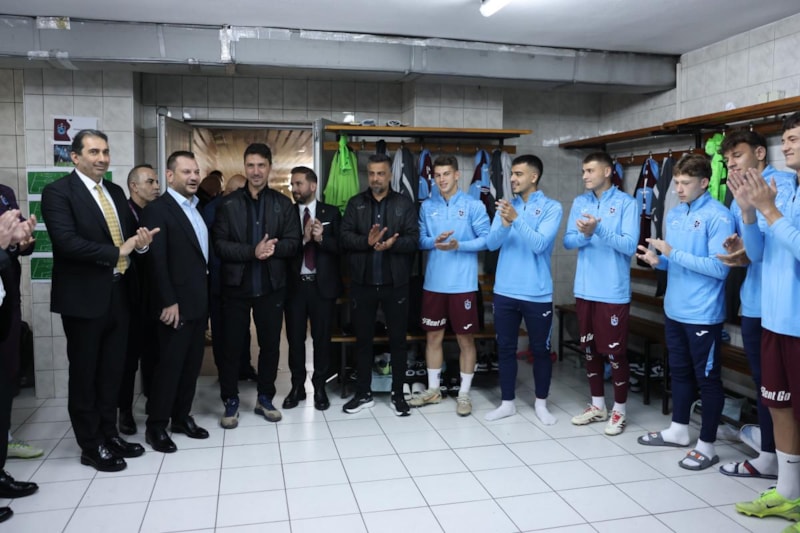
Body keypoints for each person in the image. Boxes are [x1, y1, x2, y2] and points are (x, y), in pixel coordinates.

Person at [41, 129, 158, 472]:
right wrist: (117, 251)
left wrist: (140, 245)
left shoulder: (115, 191)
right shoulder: (58, 192)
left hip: (119, 293)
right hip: (83, 299)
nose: (102, 158)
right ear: (75, 156)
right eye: (94, 152)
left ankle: (110, 434)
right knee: (85, 374)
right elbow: (66, 243)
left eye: (105, 151)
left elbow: (128, 238)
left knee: (113, 372)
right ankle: (91, 445)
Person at [636, 154, 734, 470]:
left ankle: (707, 445)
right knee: (678, 372)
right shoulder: (676, 213)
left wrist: (672, 253)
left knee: (707, 380)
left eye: (685, 183)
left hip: (703, 313)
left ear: (704, 182)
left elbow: (720, 269)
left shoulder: (719, 216)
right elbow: (675, 261)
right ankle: (679, 430)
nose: (678, 188)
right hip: (675, 310)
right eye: (676, 182)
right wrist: (659, 261)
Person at [732, 113, 800, 527]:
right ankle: (789, 493)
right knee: (780, 407)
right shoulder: (785, 194)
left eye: (794, 139)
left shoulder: (780, 197)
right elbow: (757, 255)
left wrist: (769, 210)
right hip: (775, 319)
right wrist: (749, 214)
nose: (785, 146)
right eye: (785, 139)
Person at [715, 130, 795, 479]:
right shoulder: (738, 195)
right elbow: (758, 250)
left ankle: (784, 465)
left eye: (738, 155)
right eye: (727, 159)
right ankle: (770, 456)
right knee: (767, 387)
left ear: (760, 153)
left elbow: (786, 238)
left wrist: (760, 223)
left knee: (785, 393)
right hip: (755, 301)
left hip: (786, 305)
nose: (731, 164)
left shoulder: (784, 184)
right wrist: (740, 248)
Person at [212, 143, 301, 428]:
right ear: (245, 167)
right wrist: (253, 251)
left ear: (269, 167)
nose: (256, 171)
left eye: (261, 165)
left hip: (271, 287)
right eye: (250, 165)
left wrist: (272, 249)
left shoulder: (282, 204)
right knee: (231, 346)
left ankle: (265, 397)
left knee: (270, 345)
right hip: (236, 288)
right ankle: (231, 400)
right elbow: (220, 245)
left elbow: (294, 243)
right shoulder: (228, 204)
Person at [564, 152, 639, 435]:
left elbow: (629, 246)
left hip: (612, 291)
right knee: (589, 349)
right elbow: (568, 241)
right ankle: (597, 405)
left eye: (590, 170)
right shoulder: (580, 202)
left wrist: (598, 230)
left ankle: (619, 410)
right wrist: (585, 234)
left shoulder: (627, 203)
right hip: (585, 289)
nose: (584, 176)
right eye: (583, 171)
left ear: (607, 171)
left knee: (615, 353)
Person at [140, 151, 210, 453]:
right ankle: (156, 426)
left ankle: (181, 418)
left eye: (196, 171)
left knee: (191, 366)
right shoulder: (158, 210)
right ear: (170, 176)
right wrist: (168, 301)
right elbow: (156, 261)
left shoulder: (196, 207)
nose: (193, 177)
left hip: (197, 302)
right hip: (175, 305)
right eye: (186, 172)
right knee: (168, 367)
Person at [484, 155, 562, 423]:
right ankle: (507, 403)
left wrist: (516, 220)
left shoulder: (552, 207)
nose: (512, 179)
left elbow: (539, 244)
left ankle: (541, 404)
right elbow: (492, 244)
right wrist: (505, 224)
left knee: (540, 350)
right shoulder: (506, 207)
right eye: (512, 174)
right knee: (505, 348)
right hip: (505, 291)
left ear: (533, 177)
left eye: (518, 174)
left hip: (537, 293)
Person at [340, 153, 419, 416]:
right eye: (372, 173)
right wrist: (366, 242)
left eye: (381, 173)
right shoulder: (356, 204)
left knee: (398, 341)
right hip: (362, 283)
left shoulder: (403, 204)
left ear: (389, 175)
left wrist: (392, 244)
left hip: (395, 284)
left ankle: (398, 394)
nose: (375, 178)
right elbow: (344, 237)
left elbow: (414, 240)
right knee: (363, 341)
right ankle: (363, 393)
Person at [410, 155, 489, 417]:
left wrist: (459, 245)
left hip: (463, 284)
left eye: (446, 174)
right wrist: (434, 241)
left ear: (457, 175)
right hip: (434, 283)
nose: (441, 179)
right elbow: (420, 240)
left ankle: (464, 394)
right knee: (433, 337)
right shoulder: (427, 206)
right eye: (437, 175)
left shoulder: (473, 205)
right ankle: (433, 390)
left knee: (466, 339)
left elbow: (487, 239)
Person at [283, 166, 342, 411]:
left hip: (322, 287)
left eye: (298, 184)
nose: (294, 188)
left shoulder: (332, 212)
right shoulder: (286, 212)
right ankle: (297, 386)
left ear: (313, 185)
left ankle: (320, 387)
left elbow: (341, 247)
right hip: (294, 286)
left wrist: (321, 239)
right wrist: (304, 239)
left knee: (322, 339)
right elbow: (282, 249)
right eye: (293, 184)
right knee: (295, 339)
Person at [0, 208, 38, 523]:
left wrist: (15, 243)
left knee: (4, 393)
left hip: (4, 310)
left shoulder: (5, 196)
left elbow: (15, 252)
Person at [118, 164, 160, 435]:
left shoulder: (157, 212)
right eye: (150, 182)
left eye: (156, 181)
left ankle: (155, 404)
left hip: (154, 295)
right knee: (128, 359)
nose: (156, 186)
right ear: (134, 186)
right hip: (129, 297)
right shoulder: (122, 213)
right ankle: (124, 411)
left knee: (155, 354)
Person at [0, 184, 41, 458]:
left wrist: (23, 240)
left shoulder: (4, 192)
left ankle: (4, 440)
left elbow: (19, 241)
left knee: (7, 371)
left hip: (7, 294)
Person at [203, 174, 256, 381]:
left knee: (242, 327)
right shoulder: (212, 210)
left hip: (240, 280)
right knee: (221, 329)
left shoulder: (242, 208)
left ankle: (244, 367)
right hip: (219, 280)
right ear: (230, 191)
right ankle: (226, 372)